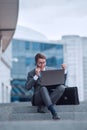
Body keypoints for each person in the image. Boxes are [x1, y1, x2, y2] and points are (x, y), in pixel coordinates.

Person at [25, 53, 67, 120]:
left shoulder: (51, 70)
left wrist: (64, 71)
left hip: (50, 96)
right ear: (36, 63)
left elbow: (62, 83)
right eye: (40, 63)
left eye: (44, 62)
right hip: (38, 98)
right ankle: (54, 112)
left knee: (62, 87)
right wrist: (36, 76)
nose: (42, 65)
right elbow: (27, 87)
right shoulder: (31, 73)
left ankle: (43, 106)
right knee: (43, 88)